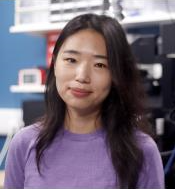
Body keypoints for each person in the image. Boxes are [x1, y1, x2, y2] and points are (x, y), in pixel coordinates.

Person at [4, 13, 164, 189]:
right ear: (55, 63)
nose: (82, 76)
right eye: (71, 60)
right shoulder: (24, 143)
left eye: (100, 65)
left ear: (116, 74)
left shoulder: (142, 151)